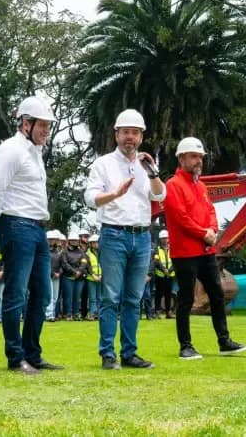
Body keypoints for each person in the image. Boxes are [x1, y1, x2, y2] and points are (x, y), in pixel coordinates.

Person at [0, 95, 61, 375]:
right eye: (43, 126)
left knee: (41, 293)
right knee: (15, 292)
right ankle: (15, 357)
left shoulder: (34, 153)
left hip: (38, 227)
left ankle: (33, 353)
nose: (46, 132)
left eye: (48, 127)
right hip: (16, 224)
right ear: (26, 123)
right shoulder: (11, 150)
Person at [82, 109, 166, 369]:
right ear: (116, 134)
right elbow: (90, 197)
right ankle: (108, 353)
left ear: (141, 137)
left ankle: (129, 353)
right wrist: (115, 194)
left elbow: (159, 196)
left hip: (141, 236)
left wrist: (152, 172)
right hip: (114, 233)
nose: (130, 137)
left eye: (135, 132)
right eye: (125, 132)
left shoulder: (146, 164)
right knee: (110, 296)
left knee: (133, 297)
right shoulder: (103, 163)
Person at [161, 136, 246, 360]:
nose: (198, 160)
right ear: (181, 159)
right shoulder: (172, 185)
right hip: (185, 252)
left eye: (200, 157)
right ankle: (186, 346)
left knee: (217, 295)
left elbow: (210, 211)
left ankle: (224, 341)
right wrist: (204, 233)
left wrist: (212, 230)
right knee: (186, 298)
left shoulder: (200, 186)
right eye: (193, 156)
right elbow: (180, 217)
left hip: (206, 250)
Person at [61, 232, 87, 321]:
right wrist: (74, 271)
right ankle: (68, 314)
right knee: (68, 297)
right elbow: (64, 264)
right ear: (69, 241)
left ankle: (76, 314)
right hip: (68, 277)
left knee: (77, 297)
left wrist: (79, 271)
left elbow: (84, 263)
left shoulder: (82, 252)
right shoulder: (65, 252)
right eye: (73, 240)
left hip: (79, 278)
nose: (74, 242)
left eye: (76, 240)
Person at [153, 231, 175, 319]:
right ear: (160, 239)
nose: (165, 240)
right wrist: (164, 270)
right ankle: (157, 312)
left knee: (168, 294)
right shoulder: (157, 249)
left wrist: (169, 271)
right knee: (158, 294)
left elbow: (175, 260)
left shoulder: (172, 248)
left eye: (166, 238)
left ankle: (168, 313)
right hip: (160, 275)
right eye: (163, 238)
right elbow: (156, 261)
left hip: (170, 275)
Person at [85, 236, 102, 321]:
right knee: (92, 298)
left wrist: (102, 276)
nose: (96, 244)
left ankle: (98, 314)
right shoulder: (87, 253)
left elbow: (105, 265)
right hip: (91, 278)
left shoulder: (102, 253)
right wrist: (93, 275)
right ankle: (92, 313)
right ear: (90, 244)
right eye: (94, 242)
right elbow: (87, 266)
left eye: (97, 242)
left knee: (100, 297)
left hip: (101, 278)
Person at [47, 231, 63, 321]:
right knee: (50, 295)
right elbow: (45, 264)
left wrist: (59, 273)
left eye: (53, 239)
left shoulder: (58, 251)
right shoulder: (44, 250)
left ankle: (52, 313)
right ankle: (49, 315)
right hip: (48, 275)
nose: (52, 241)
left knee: (55, 297)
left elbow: (62, 264)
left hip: (57, 276)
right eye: (50, 239)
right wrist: (53, 273)